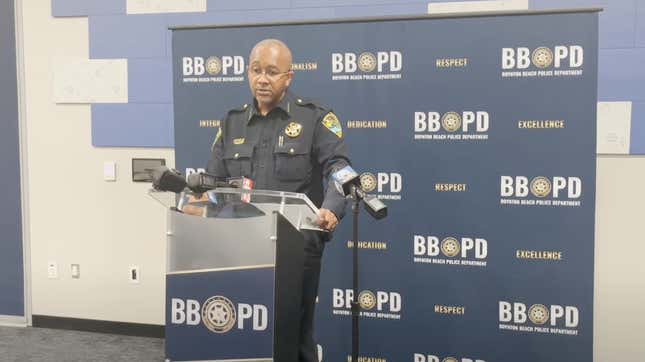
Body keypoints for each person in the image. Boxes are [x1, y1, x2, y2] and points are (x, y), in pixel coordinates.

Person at [206, 38, 351, 362]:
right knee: (239, 331)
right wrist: (197, 201)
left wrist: (331, 208)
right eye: (256, 70)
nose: (262, 79)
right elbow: (212, 181)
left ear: (288, 77)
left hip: (296, 246)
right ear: (247, 73)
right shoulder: (231, 122)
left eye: (272, 72)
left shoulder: (315, 118)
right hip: (239, 246)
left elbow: (339, 169)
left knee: (293, 335)